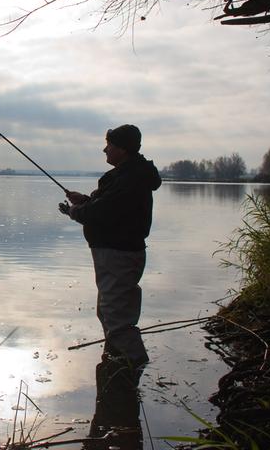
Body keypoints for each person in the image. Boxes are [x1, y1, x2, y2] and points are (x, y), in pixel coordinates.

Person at [59, 124, 161, 369]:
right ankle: (117, 371)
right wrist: (84, 201)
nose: (105, 149)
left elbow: (103, 210)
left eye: (110, 145)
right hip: (115, 254)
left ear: (123, 149)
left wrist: (76, 211)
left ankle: (132, 367)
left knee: (117, 319)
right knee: (108, 313)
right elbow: (108, 205)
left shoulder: (130, 178)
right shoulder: (127, 175)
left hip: (119, 255)